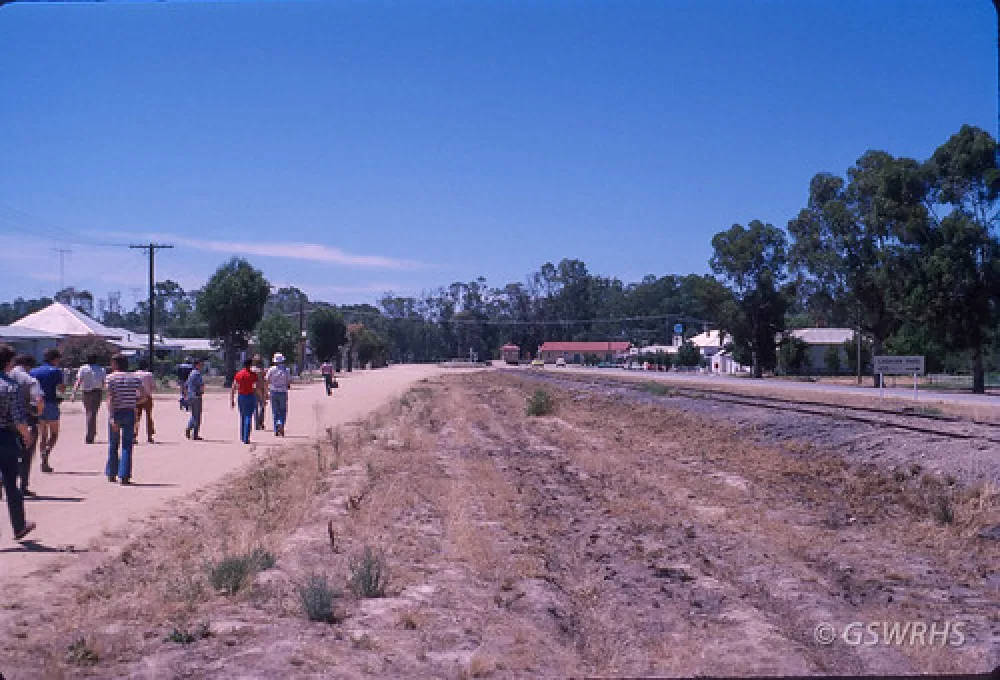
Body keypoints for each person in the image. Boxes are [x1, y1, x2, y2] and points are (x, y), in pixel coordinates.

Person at [0, 343, 37, 540]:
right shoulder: (10, 387)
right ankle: (19, 526)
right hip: (5, 437)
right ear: (8, 363)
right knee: (11, 484)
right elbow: (17, 418)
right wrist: (26, 435)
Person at [105, 354, 142, 485]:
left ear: (115, 363)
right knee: (127, 445)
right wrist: (134, 402)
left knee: (114, 444)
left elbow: (109, 398)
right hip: (129, 412)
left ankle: (111, 473)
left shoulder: (110, 378)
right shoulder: (134, 378)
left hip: (116, 412)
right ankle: (124, 475)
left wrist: (111, 417)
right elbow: (143, 395)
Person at [9, 355, 43, 498]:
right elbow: (39, 399)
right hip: (26, 419)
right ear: (28, 365)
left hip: (6, 420)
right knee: (26, 454)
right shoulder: (29, 379)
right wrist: (38, 413)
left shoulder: (7, 375)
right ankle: (23, 485)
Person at [30, 348, 65, 473]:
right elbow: (61, 389)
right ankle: (47, 453)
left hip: (38, 404)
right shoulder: (56, 371)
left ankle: (43, 459)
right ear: (54, 359)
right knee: (54, 433)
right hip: (51, 403)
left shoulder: (33, 371)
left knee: (43, 435)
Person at [71, 353, 106, 445]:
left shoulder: (83, 368)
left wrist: (74, 392)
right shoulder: (101, 369)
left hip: (86, 392)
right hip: (97, 392)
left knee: (89, 412)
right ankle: (91, 434)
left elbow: (78, 381)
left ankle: (91, 432)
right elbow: (103, 383)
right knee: (93, 413)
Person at [230, 358, 258, 444]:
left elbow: (234, 387)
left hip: (241, 396)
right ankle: (246, 437)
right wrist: (262, 397)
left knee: (242, 416)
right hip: (250, 396)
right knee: (248, 417)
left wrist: (232, 399)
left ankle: (242, 436)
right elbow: (256, 387)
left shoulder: (239, 374)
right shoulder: (253, 375)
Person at [265, 353, 290, 437]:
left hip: (273, 391)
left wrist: (267, 390)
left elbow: (267, 380)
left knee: (275, 411)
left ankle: (276, 428)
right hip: (283, 391)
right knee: (283, 410)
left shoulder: (271, 370)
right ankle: (281, 423)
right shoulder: (286, 370)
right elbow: (288, 381)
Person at [133, 359, 156, 444]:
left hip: (136, 397)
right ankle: (149, 436)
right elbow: (153, 387)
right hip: (147, 397)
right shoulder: (149, 374)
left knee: (136, 417)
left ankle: (134, 436)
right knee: (149, 416)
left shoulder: (134, 374)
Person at [184, 359, 205, 440]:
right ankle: (194, 433)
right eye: (200, 364)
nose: (202, 366)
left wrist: (186, 395)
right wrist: (202, 392)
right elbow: (201, 385)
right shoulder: (197, 374)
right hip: (196, 396)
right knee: (197, 416)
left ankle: (189, 428)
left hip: (190, 396)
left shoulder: (191, 373)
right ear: (196, 365)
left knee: (194, 414)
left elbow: (186, 385)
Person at [251, 355, 268, 430]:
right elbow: (264, 382)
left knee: (255, 407)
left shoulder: (251, 370)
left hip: (252, 390)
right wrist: (266, 392)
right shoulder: (262, 371)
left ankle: (257, 423)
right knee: (262, 406)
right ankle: (260, 422)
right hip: (261, 389)